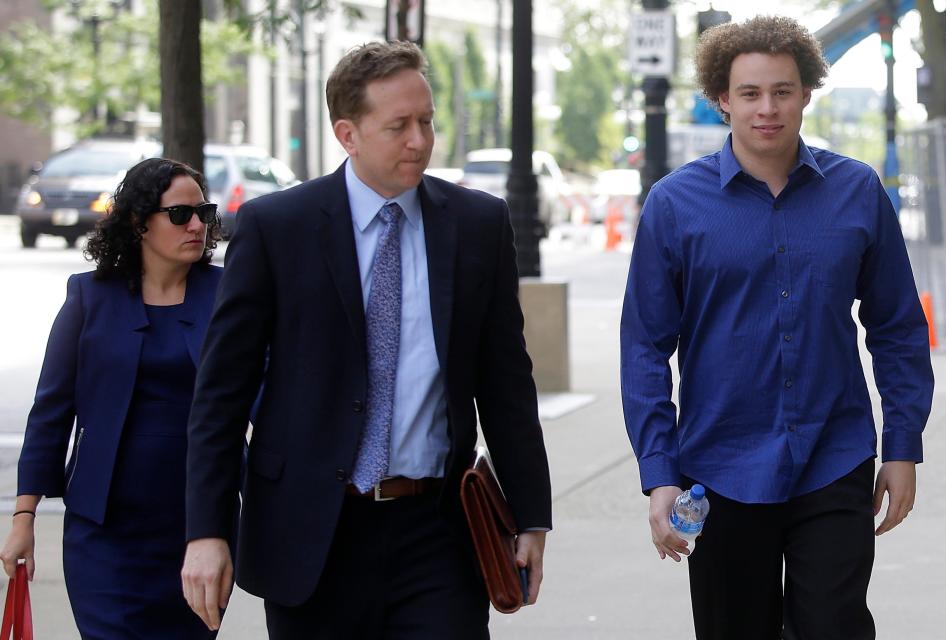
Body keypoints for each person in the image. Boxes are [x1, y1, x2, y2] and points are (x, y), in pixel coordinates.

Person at [180, 40, 552, 639]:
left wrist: (532, 515)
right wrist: (207, 530)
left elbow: (506, 382)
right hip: (311, 533)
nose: (420, 140)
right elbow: (221, 394)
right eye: (399, 126)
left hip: (437, 532)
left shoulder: (477, 225)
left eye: (427, 121)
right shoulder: (277, 229)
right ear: (348, 134)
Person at [620, 15, 933, 640]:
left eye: (783, 91)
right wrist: (659, 473)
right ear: (721, 101)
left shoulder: (858, 190)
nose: (768, 108)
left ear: (807, 94)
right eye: (750, 93)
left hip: (834, 456)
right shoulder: (674, 205)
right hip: (718, 468)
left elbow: (896, 328)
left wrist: (902, 445)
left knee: (833, 626)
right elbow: (644, 349)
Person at [0, 158, 228, 638]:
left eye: (203, 213)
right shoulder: (90, 297)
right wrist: (25, 515)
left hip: (197, 527)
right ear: (139, 222)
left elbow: (266, 396)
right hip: (103, 533)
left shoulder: (226, 295)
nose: (196, 226)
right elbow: (51, 412)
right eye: (180, 214)